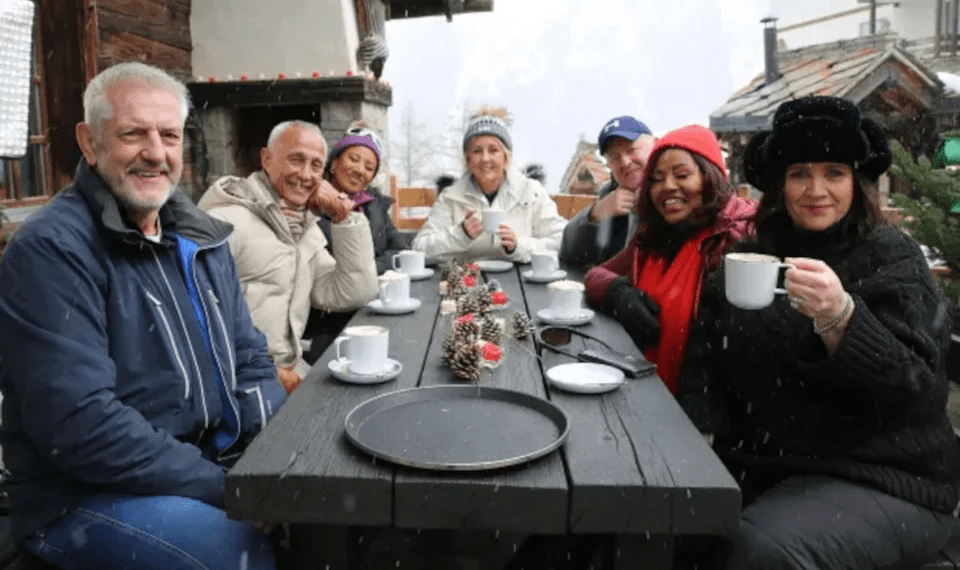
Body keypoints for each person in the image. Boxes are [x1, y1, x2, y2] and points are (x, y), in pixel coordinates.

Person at [0, 62, 284, 569]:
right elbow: (80, 425)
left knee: (324, 522)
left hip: (201, 468)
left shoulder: (202, 241)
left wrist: (273, 463)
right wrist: (225, 488)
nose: (156, 153)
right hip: (80, 497)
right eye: (133, 134)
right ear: (89, 143)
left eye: (169, 135)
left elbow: (251, 359)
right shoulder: (52, 250)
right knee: (240, 556)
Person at [676, 95, 960, 569]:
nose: (816, 189)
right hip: (772, 465)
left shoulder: (893, 257)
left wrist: (841, 318)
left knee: (760, 553)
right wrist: (702, 429)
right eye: (799, 173)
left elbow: (916, 386)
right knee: (663, 515)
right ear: (780, 184)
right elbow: (705, 354)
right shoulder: (752, 256)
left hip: (885, 479)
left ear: (856, 181)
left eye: (834, 172)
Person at [198, 120, 378, 392]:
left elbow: (353, 292)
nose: (305, 175)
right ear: (266, 159)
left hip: (291, 370)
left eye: (315, 165)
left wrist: (344, 217)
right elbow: (196, 322)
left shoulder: (303, 227)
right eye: (296, 160)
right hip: (237, 381)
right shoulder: (224, 223)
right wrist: (270, 373)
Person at [584, 125, 757, 392]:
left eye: (682, 175)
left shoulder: (737, 237)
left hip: (704, 404)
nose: (667, 187)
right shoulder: (653, 239)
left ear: (710, 177)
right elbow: (594, 276)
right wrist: (616, 291)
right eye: (656, 179)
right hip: (645, 390)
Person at [411, 105, 566, 263]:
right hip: (467, 277)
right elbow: (419, 249)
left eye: (493, 150)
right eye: (477, 151)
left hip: (522, 278)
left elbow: (561, 241)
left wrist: (518, 246)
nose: (485, 158)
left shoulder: (531, 191)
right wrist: (461, 234)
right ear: (468, 159)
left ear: (506, 156)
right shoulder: (451, 197)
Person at [559, 115, 657, 269]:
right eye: (615, 157)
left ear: (655, 145)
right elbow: (569, 253)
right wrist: (594, 214)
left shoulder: (671, 193)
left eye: (631, 150)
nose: (625, 162)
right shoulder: (610, 192)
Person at [318, 128, 412, 274]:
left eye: (369, 168)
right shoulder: (314, 203)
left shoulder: (376, 205)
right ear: (334, 163)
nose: (360, 170)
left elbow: (400, 251)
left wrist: (370, 270)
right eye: (353, 159)